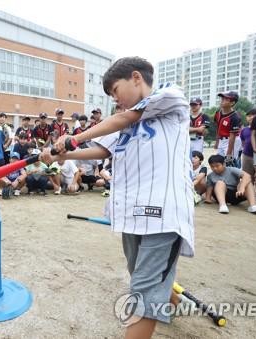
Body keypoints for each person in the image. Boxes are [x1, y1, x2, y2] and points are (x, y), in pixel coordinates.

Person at [48, 57, 195, 338]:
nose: (116, 99)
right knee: (138, 271)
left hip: (163, 211)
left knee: (142, 288)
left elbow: (125, 117)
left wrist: (74, 138)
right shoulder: (123, 123)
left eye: (116, 90)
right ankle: (169, 300)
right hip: (132, 211)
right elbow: (103, 151)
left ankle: (157, 300)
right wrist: (61, 153)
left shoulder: (170, 97)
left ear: (136, 78)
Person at [214, 91, 242, 164]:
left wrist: (229, 153)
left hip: (231, 141)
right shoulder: (218, 113)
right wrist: (217, 142)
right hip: (221, 140)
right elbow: (218, 128)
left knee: (229, 163)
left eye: (226, 99)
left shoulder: (235, 117)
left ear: (232, 103)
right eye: (222, 98)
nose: (222, 100)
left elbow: (232, 136)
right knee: (219, 161)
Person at [240, 109, 256, 182]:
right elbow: (243, 142)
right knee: (247, 176)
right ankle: (249, 192)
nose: (251, 117)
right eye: (249, 116)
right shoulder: (244, 130)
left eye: (254, 115)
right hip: (247, 155)